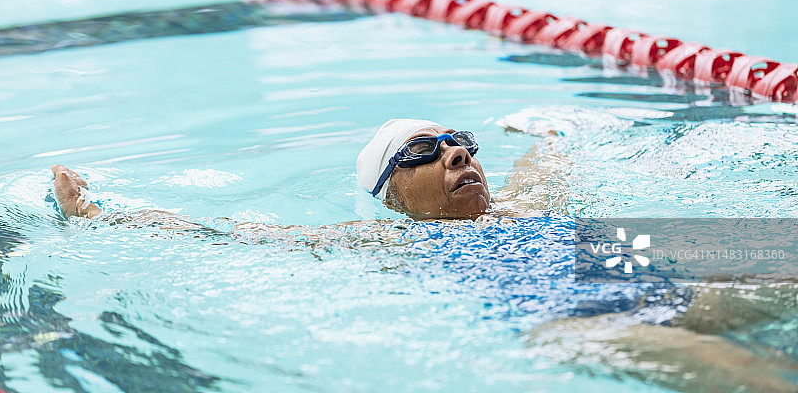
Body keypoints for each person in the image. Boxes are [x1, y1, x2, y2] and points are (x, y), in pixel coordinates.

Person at [50, 119, 798, 392]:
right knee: (744, 376)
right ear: (390, 192)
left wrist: (550, 132)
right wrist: (97, 215)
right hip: (576, 323)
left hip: (656, 281)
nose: (458, 157)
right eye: (425, 153)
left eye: (462, 146)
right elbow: (229, 235)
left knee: (779, 259)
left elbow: (548, 157)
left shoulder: (526, 206)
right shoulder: (391, 243)